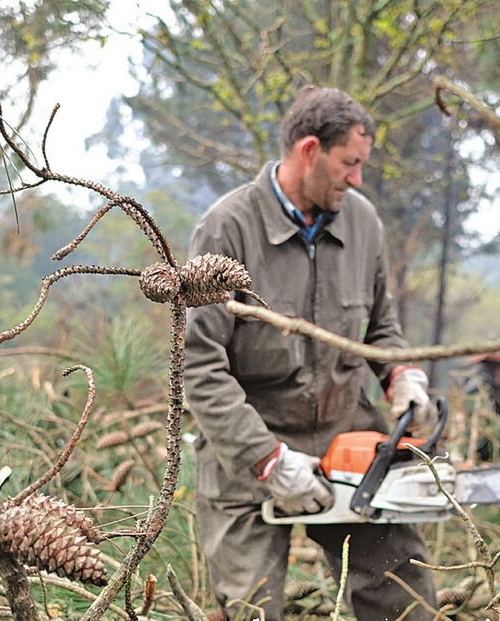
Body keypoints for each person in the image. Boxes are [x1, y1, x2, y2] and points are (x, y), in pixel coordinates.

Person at [182, 86, 437, 621]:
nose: (357, 178)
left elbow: (381, 328)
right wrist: (265, 458)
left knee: (403, 594)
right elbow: (198, 366)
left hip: (346, 438)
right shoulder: (227, 228)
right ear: (309, 150)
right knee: (251, 608)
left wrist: (402, 377)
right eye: (349, 163)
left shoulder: (362, 223)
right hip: (246, 450)